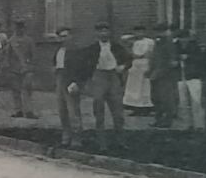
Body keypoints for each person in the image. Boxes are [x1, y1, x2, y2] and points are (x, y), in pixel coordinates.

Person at [65, 21, 131, 149]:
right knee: (99, 110)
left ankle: (121, 141)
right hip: (98, 78)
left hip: (113, 78)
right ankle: (102, 143)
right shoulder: (92, 49)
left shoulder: (116, 47)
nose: (104, 33)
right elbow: (83, 67)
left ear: (110, 32)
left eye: (106, 31)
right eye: (101, 31)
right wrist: (77, 82)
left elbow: (129, 59)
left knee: (118, 112)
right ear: (96, 33)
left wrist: (123, 66)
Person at [51, 28, 79, 155]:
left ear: (71, 37)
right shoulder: (58, 51)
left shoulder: (75, 51)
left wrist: (75, 82)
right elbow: (54, 64)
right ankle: (66, 137)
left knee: (73, 111)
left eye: (65, 36)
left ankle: (77, 139)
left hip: (70, 80)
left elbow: (81, 68)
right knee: (62, 110)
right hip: (60, 79)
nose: (63, 39)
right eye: (61, 37)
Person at [148, 23, 181, 128]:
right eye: (158, 31)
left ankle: (167, 121)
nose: (159, 33)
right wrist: (150, 71)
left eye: (162, 31)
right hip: (155, 75)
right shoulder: (157, 42)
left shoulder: (168, 43)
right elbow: (154, 59)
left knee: (166, 99)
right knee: (156, 98)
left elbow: (172, 61)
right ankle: (158, 119)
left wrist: (162, 71)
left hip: (165, 76)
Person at [6, 20, 37, 119]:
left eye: (21, 28)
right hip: (14, 69)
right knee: (15, 90)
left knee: (27, 89)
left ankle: (29, 111)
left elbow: (34, 55)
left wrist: (31, 67)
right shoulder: (11, 41)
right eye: (17, 28)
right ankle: (18, 110)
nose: (19, 30)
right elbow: (7, 55)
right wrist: (8, 67)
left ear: (24, 29)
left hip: (27, 69)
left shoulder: (29, 40)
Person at [176, 27, 204, 131]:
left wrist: (189, 57)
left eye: (185, 38)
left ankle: (199, 124)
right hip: (180, 77)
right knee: (182, 102)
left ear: (189, 38)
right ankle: (186, 124)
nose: (183, 40)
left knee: (196, 101)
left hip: (193, 77)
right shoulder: (176, 47)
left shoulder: (194, 47)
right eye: (181, 38)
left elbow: (201, 60)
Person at [123, 25, 155, 116]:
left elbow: (150, 54)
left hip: (145, 65)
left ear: (144, 32)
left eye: (141, 31)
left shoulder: (149, 41)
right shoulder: (133, 42)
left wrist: (142, 57)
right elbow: (124, 39)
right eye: (137, 32)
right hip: (135, 66)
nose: (139, 33)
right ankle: (136, 107)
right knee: (134, 88)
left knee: (145, 88)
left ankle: (146, 108)